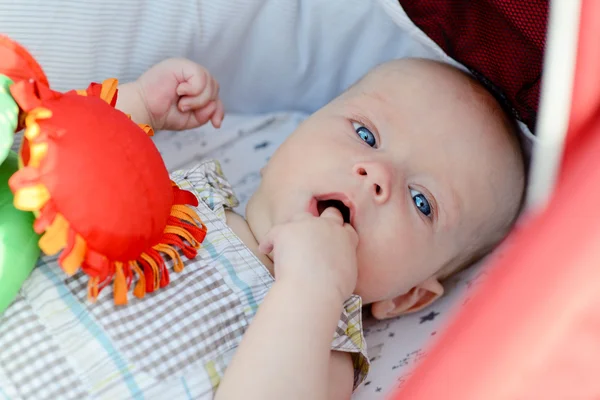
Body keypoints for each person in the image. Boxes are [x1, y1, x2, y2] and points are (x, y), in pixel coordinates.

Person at [0, 57, 525, 400]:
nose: (378, 175)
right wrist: (137, 109)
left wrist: (312, 287)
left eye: (421, 201)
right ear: (292, 138)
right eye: (365, 133)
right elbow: (62, 168)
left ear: (408, 298)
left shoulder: (325, 342)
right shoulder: (185, 198)